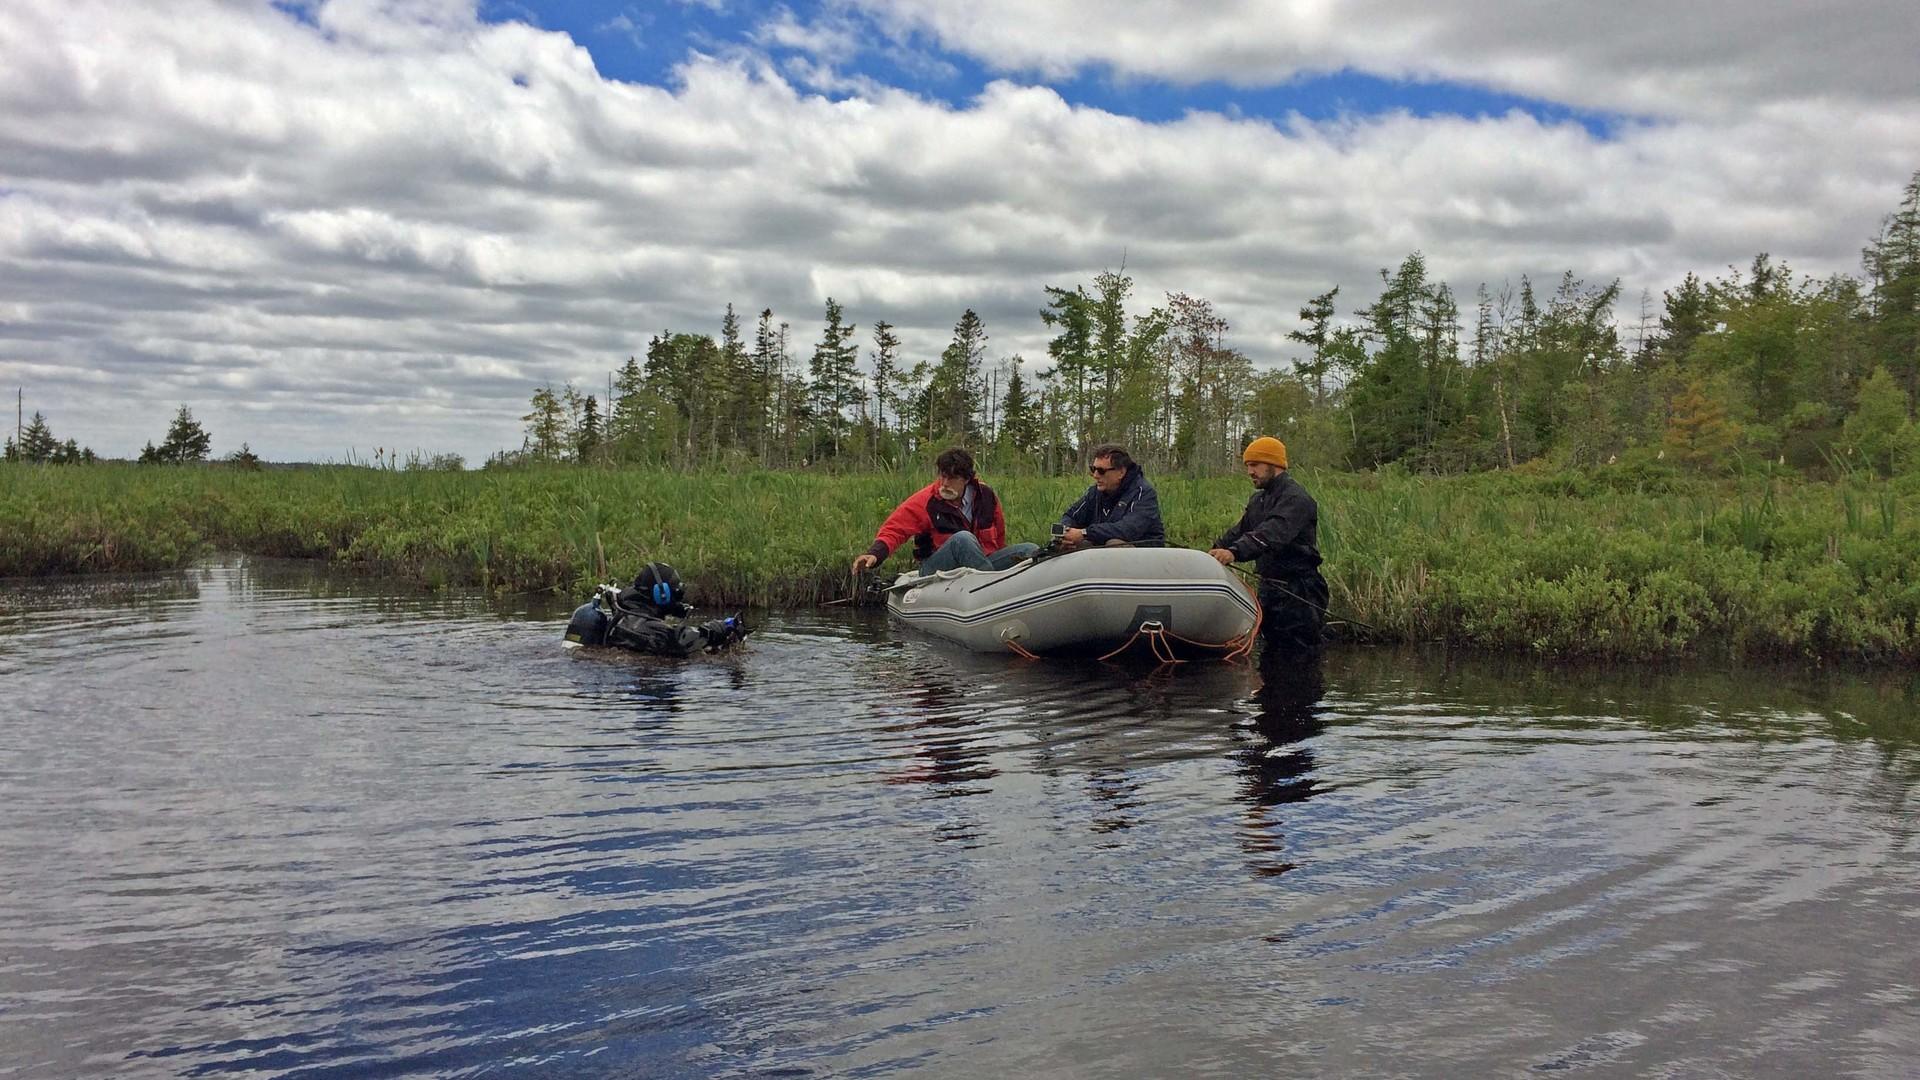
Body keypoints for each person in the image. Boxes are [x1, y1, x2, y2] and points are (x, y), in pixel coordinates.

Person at [1208, 436, 1329, 655]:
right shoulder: (1258, 501)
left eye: (1254, 465)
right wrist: (1212, 553)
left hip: (1299, 592)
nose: (1249, 472)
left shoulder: (1296, 499)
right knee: (1270, 657)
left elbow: (1273, 533)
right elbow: (1240, 531)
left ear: (1274, 465)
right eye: (1247, 466)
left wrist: (1233, 553)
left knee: (1299, 660)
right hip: (1269, 590)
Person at [851, 447, 1040, 576]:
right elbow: (895, 528)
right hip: (937, 567)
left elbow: (999, 537)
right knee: (962, 539)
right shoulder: (927, 501)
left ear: (966, 479)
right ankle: (993, 588)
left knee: (1029, 549)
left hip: (981, 563)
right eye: (943, 476)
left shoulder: (987, 497)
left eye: (952, 478)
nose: (945, 483)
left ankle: (1001, 587)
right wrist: (875, 554)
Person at [598, 562, 746, 656]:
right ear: (661, 594)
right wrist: (720, 627)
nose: (677, 598)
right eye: (675, 592)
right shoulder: (645, 626)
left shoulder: (628, 611)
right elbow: (680, 640)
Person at [1055, 442, 1165, 550]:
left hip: (1146, 555)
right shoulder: (1094, 492)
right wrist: (1066, 533)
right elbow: (1071, 516)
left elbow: (1128, 530)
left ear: (1121, 472)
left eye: (1101, 471)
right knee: (1073, 545)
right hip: (1104, 550)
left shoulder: (1143, 493)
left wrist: (1085, 533)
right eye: (1093, 469)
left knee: (1115, 544)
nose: (1095, 475)